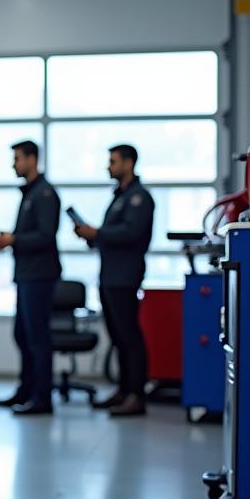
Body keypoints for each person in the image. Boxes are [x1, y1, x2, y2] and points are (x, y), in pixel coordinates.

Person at [74, 144, 155, 418]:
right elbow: (112, 234)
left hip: (125, 277)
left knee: (130, 337)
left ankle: (136, 396)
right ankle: (123, 390)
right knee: (119, 337)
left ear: (129, 163)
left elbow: (131, 233)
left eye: (113, 161)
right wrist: (92, 236)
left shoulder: (139, 198)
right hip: (110, 276)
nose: (108, 166)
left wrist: (97, 232)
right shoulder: (119, 197)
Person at [0, 140, 62, 416]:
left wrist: (14, 239)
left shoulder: (45, 194)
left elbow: (46, 236)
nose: (14, 164)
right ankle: (26, 390)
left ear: (32, 159)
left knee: (37, 338)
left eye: (18, 158)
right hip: (26, 275)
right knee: (22, 334)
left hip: (40, 276)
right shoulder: (30, 193)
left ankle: (42, 398)